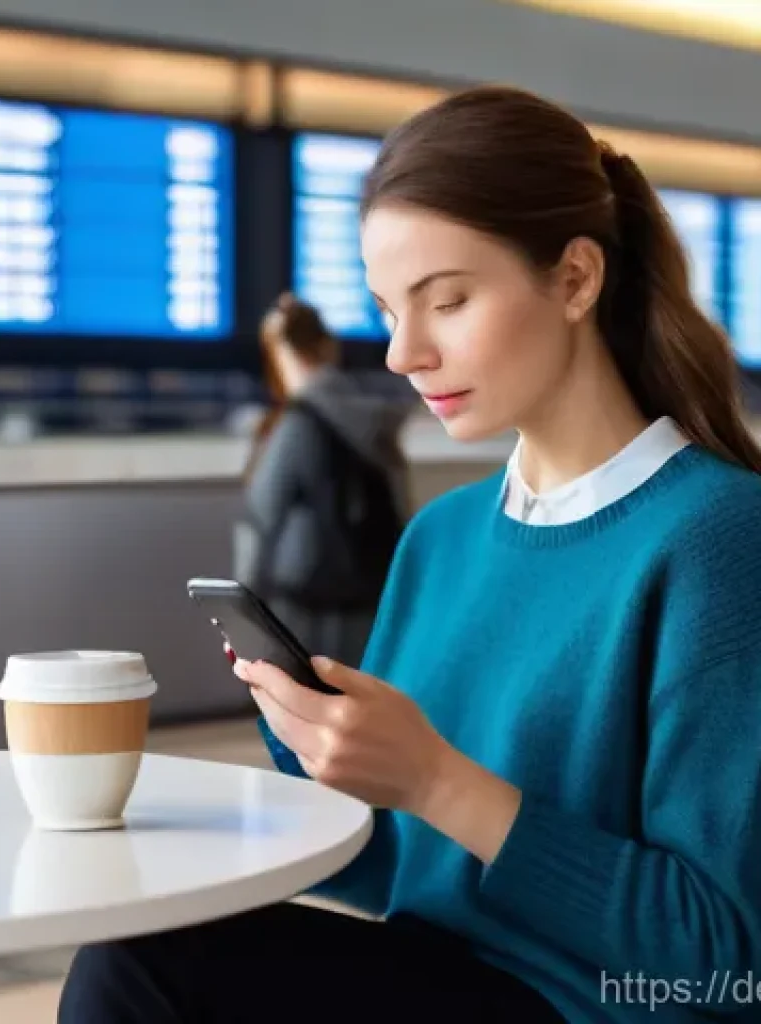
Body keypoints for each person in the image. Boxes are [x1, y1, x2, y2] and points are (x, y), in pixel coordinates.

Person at [58, 85, 761, 1024]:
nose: (402, 353)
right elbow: (399, 865)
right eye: (389, 310)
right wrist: (321, 746)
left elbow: (725, 965)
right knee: (138, 944)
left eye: (449, 302)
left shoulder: (719, 540)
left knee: (143, 977)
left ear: (576, 281)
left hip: (593, 1009)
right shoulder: (445, 537)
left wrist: (436, 777)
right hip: (439, 975)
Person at [232, 292, 412, 668]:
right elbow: (400, 504)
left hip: (304, 605)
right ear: (328, 347)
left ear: (280, 354)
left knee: (300, 711)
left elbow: (260, 517)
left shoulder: (298, 423)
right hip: (372, 594)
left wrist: (242, 609)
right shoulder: (375, 420)